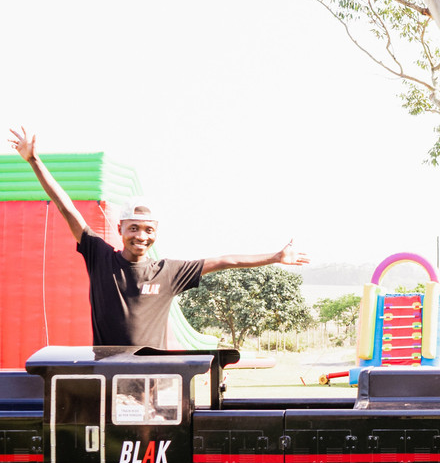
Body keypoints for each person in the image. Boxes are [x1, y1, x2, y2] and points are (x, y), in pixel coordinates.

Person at [8, 126, 310, 348]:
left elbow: (224, 260)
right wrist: (34, 160)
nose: (141, 235)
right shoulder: (100, 257)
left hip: (152, 376)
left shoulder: (168, 272)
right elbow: (67, 208)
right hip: (106, 374)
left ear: (156, 233)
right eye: (134, 228)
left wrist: (275, 257)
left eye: (148, 229)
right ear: (121, 229)